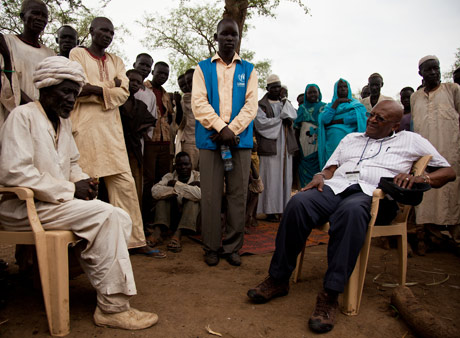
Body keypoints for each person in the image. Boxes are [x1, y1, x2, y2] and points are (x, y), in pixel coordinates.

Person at [247, 100, 455, 334]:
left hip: (375, 195)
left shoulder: (411, 140)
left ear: (395, 125)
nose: (372, 120)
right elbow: (331, 168)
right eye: (371, 114)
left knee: (351, 212)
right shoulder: (351, 139)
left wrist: (423, 179)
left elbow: (448, 172)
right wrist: (319, 175)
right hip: (336, 188)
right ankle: (278, 278)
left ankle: (330, 294)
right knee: (298, 203)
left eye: (380, 118)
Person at [0, 56, 158, 330]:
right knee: (107, 217)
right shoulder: (22, 116)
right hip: (23, 208)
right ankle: (113, 308)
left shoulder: (62, 124)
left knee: (120, 217)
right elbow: (13, 173)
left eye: (75, 92)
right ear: (45, 88)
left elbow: (72, 164)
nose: (72, 99)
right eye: (66, 91)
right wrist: (71, 189)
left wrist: (84, 183)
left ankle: (73, 267)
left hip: (53, 205)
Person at [69, 17, 153, 256]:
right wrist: (109, 86)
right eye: (103, 30)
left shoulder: (116, 60)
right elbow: (78, 89)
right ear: (91, 31)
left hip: (112, 131)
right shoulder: (77, 54)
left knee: (125, 186)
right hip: (85, 128)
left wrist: (96, 88)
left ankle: (134, 240)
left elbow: (123, 93)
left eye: (111, 32)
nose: (107, 35)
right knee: (87, 185)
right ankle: (83, 245)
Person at [191, 18, 258, 267]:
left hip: (239, 142)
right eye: (225, 34)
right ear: (216, 37)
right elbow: (198, 103)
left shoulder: (249, 70)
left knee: (238, 195)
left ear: (239, 38)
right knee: (210, 195)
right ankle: (211, 246)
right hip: (210, 140)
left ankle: (232, 247)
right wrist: (221, 128)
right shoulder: (201, 68)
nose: (230, 38)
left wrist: (232, 130)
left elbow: (251, 106)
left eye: (234, 35)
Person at [411, 55, 460, 254]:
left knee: (452, 192)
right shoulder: (416, 97)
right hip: (424, 156)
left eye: (436, 68)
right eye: (428, 69)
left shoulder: (453, 90)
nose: (433, 73)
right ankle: (427, 237)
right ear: (420, 73)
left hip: (450, 151)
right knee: (426, 192)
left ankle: (455, 239)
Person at [0, 0, 55, 128]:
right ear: (22, 16)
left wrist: (40, 113)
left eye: (44, 16)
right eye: (35, 13)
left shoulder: (50, 53)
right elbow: (4, 82)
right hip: (12, 115)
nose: (40, 19)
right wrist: (34, 108)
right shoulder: (7, 43)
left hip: (42, 121)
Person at [255, 74, 297, 221]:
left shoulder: (285, 102)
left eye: (278, 87)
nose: (276, 90)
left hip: (285, 146)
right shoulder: (261, 104)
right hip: (270, 147)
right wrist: (280, 120)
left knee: (285, 177)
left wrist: (285, 103)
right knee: (271, 178)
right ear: (267, 88)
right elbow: (261, 123)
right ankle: (270, 210)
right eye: (273, 87)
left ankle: (283, 209)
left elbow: (293, 116)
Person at [142, 61, 175, 234]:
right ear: (153, 71)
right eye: (160, 73)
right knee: (148, 180)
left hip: (165, 141)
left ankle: (159, 219)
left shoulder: (165, 94)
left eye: (166, 74)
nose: (162, 76)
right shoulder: (143, 88)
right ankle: (145, 218)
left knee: (163, 179)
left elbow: (170, 117)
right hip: (150, 141)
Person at [119, 69, 156, 208]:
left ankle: (135, 221)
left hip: (134, 150)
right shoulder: (116, 101)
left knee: (134, 184)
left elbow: (151, 120)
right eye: (131, 80)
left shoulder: (140, 106)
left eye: (138, 82)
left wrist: (138, 130)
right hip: (116, 149)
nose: (134, 84)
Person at [151, 152, 201, 253]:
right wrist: (175, 190)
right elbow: (155, 191)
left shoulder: (198, 176)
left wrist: (177, 185)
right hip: (173, 218)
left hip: (194, 220)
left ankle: (178, 234)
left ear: (191, 165)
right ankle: (157, 232)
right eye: (180, 165)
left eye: (186, 164)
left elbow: (200, 195)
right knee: (162, 198)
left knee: (192, 201)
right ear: (175, 166)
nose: (183, 167)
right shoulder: (169, 176)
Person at [317, 78, 367, 168]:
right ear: (335, 90)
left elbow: (358, 117)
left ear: (348, 89)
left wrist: (336, 121)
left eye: (345, 87)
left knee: (348, 166)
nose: (343, 89)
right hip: (333, 142)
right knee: (332, 166)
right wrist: (337, 102)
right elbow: (325, 120)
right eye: (340, 87)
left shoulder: (355, 104)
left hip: (351, 142)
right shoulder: (330, 106)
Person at [294, 84, 326, 187]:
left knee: (318, 165)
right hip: (304, 145)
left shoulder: (324, 107)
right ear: (306, 95)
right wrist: (296, 147)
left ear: (319, 93)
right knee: (304, 168)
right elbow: (296, 129)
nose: (312, 94)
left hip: (319, 143)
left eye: (314, 92)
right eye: (309, 92)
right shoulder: (302, 108)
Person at [176, 68, 199, 170]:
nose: (188, 85)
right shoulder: (185, 100)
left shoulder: (209, 95)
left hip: (206, 141)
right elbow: (180, 122)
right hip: (190, 141)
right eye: (186, 83)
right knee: (191, 171)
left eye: (191, 80)